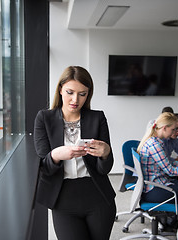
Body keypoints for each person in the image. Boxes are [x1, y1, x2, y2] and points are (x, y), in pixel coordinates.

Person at [34, 66, 116, 240]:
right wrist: (57, 155)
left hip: (98, 196)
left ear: (88, 94)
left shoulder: (97, 118)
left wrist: (106, 152)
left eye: (82, 94)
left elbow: (104, 169)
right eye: (70, 92)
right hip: (63, 198)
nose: (75, 99)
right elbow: (44, 167)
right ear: (60, 90)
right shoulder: (44, 118)